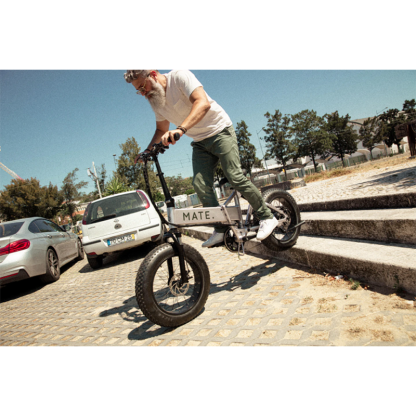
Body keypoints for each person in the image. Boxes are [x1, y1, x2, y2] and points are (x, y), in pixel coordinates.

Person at [125, 69, 278, 247]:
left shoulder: (179, 77)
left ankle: (267, 216)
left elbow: (202, 103)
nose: (143, 93)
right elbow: (161, 129)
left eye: (142, 86)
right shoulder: (157, 101)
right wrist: (147, 151)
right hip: (200, 141)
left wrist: (180, 129)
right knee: (200, 184)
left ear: (152, 74)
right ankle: (221, 229)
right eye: (138, 91)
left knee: (234, 176)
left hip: (219, 130)